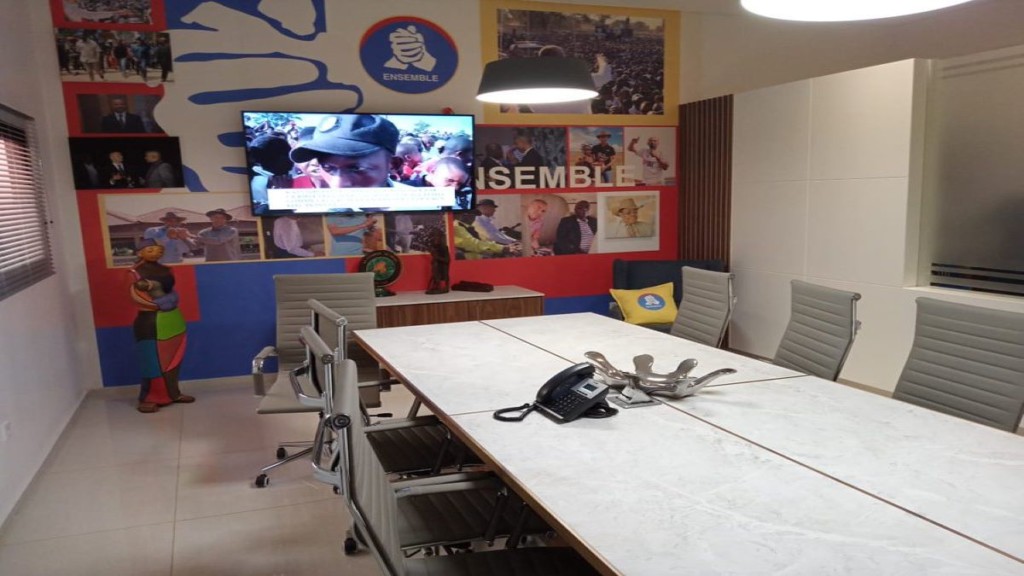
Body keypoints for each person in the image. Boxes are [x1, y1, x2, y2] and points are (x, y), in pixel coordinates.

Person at [129, 239, 194, 413]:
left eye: (158, 249)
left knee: (173, 360)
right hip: (150, 322)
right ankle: (149, 397)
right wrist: (160, 304)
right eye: (150, 249)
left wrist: (168, 301)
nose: (155, 252)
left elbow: (172, 291)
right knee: (152, 361)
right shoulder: (134, 272)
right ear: (140, 252)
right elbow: (135, 296)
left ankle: (173, 393)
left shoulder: (166, 269)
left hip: (173, 319)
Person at [290, 114, 412, 190]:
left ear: (393, 164)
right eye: (327, 168)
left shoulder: (418, 206)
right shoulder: (304, 214)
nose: (338, 184)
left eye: (356, 168)